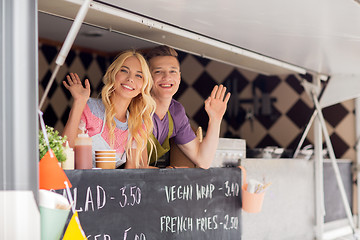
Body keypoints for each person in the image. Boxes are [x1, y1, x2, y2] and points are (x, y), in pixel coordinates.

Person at [62, 50, 156, 169]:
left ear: (144, 85)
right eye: (124, 70)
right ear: (113, 73)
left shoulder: (137, 124)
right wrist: (79, 101)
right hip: (79, 185)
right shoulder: (91, 109)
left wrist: (171, 170)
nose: (130, 79)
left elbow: (134, 172)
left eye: (139, 75)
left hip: (113, 186)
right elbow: (64, 152)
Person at [146, 45, 230, 169]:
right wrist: (170, 172)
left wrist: (215, 119)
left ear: (179, 78)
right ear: (148, 77)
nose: (167, 77)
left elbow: (203, 160)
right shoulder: (138, 107)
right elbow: (135, 165)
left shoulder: (176, 112)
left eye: (172, 71)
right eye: (158, 71)